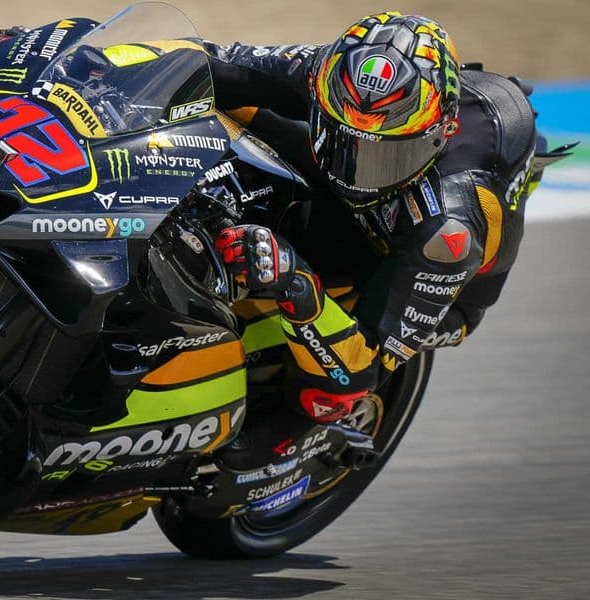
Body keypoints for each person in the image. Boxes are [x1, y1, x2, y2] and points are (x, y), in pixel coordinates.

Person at [200, 11, 571, 437]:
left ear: (441, 132)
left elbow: (362, 369)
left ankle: (287, 443)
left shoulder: (449, 226)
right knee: (231, 106)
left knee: (321, 397)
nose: (358, 172)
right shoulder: (330, 76)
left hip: (429, 277)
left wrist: (295, 281)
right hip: (359, 198)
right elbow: (209, 61)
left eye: (387, 156)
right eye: (343, 140)